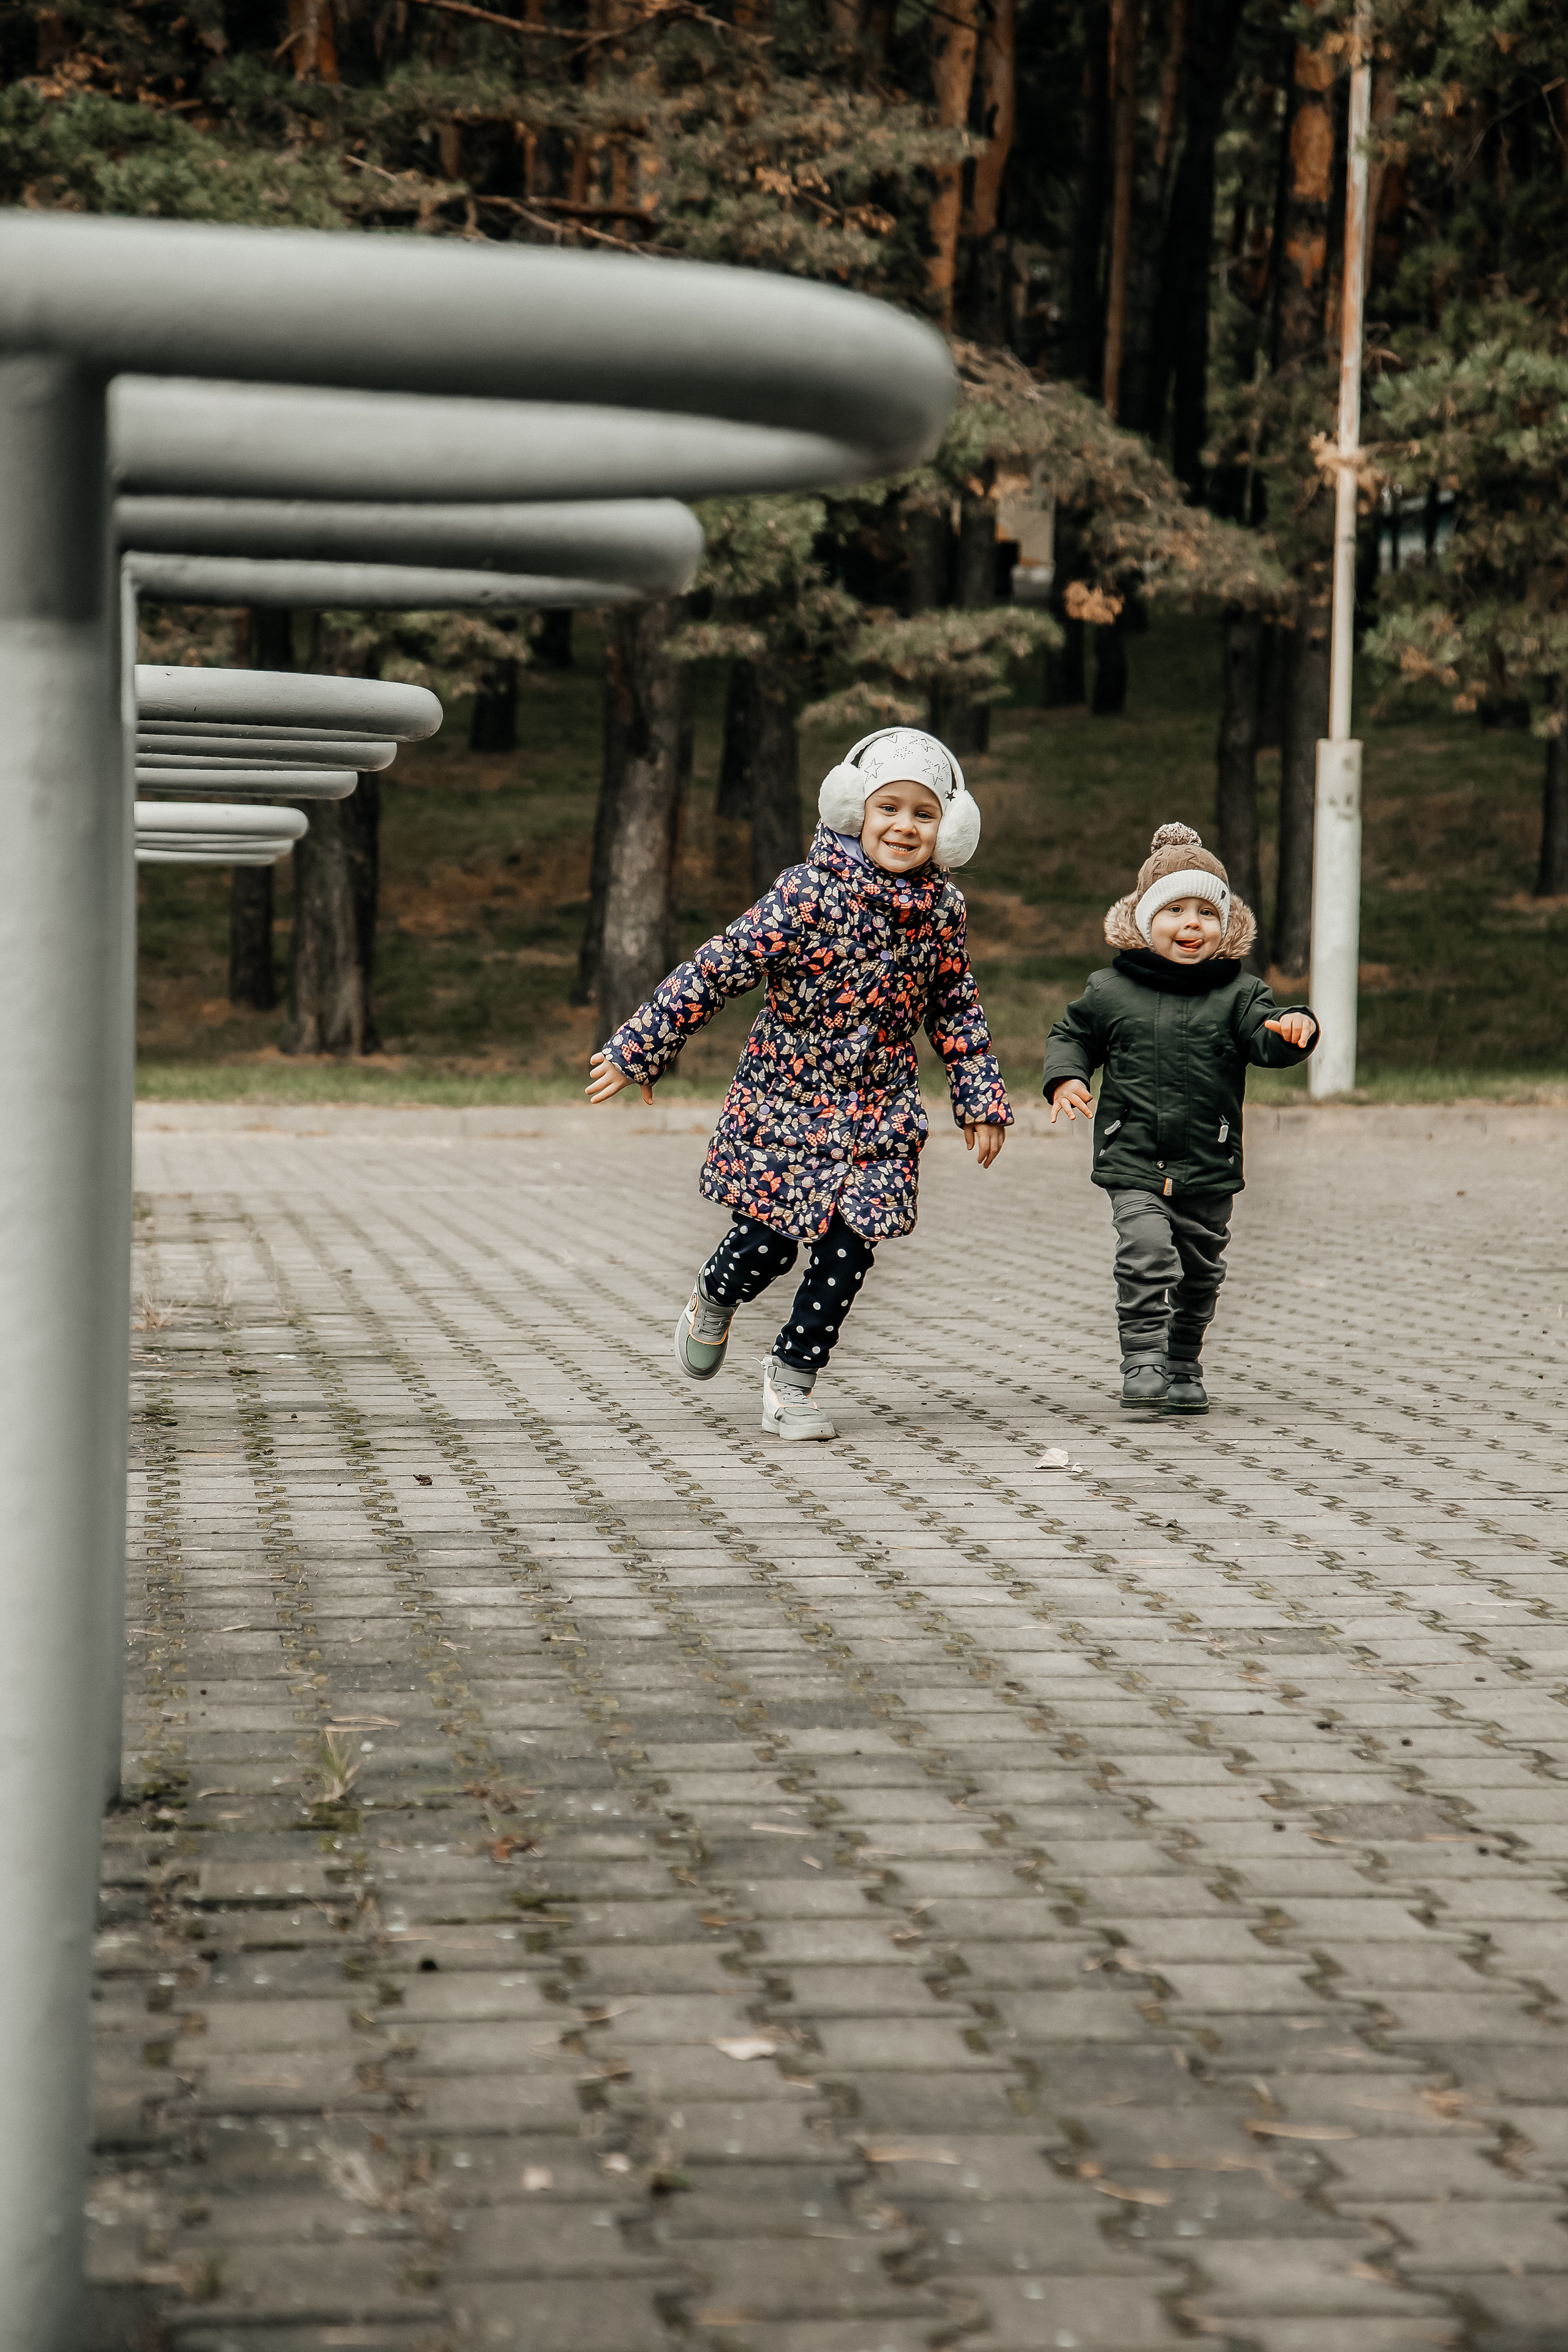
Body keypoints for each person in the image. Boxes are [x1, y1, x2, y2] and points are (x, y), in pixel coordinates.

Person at [586, 726, 1012, 1440]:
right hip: (787, 1100)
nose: (904, 826)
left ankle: (791, 1381)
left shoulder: (943, 911)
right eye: (888, 807)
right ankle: (715, 1294)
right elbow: (719, 966)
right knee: (769, 1242)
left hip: (879, 1110)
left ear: (950, 827)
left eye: (924, 813)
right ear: (853, 808)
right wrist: (643, 1046)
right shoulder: (806, 894)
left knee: (851, 1246)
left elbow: (954, 1007)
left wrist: (980, 1098)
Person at [1042, 821, 1318, 1415]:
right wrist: (1067, 1076)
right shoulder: (1110, 990)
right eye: (1175, 911)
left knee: (1200, 1272)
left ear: (1226, 926)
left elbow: (1266, 1041)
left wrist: (1295, 1028)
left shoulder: (1241, 995)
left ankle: (1184, 1361)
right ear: (1146, 921)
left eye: (1207, 913)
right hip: (1133, 1155)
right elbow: (1072, 1035)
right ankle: (1142, 1360)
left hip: (1208, 1161)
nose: (1192, 924)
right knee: (1145, 1251)